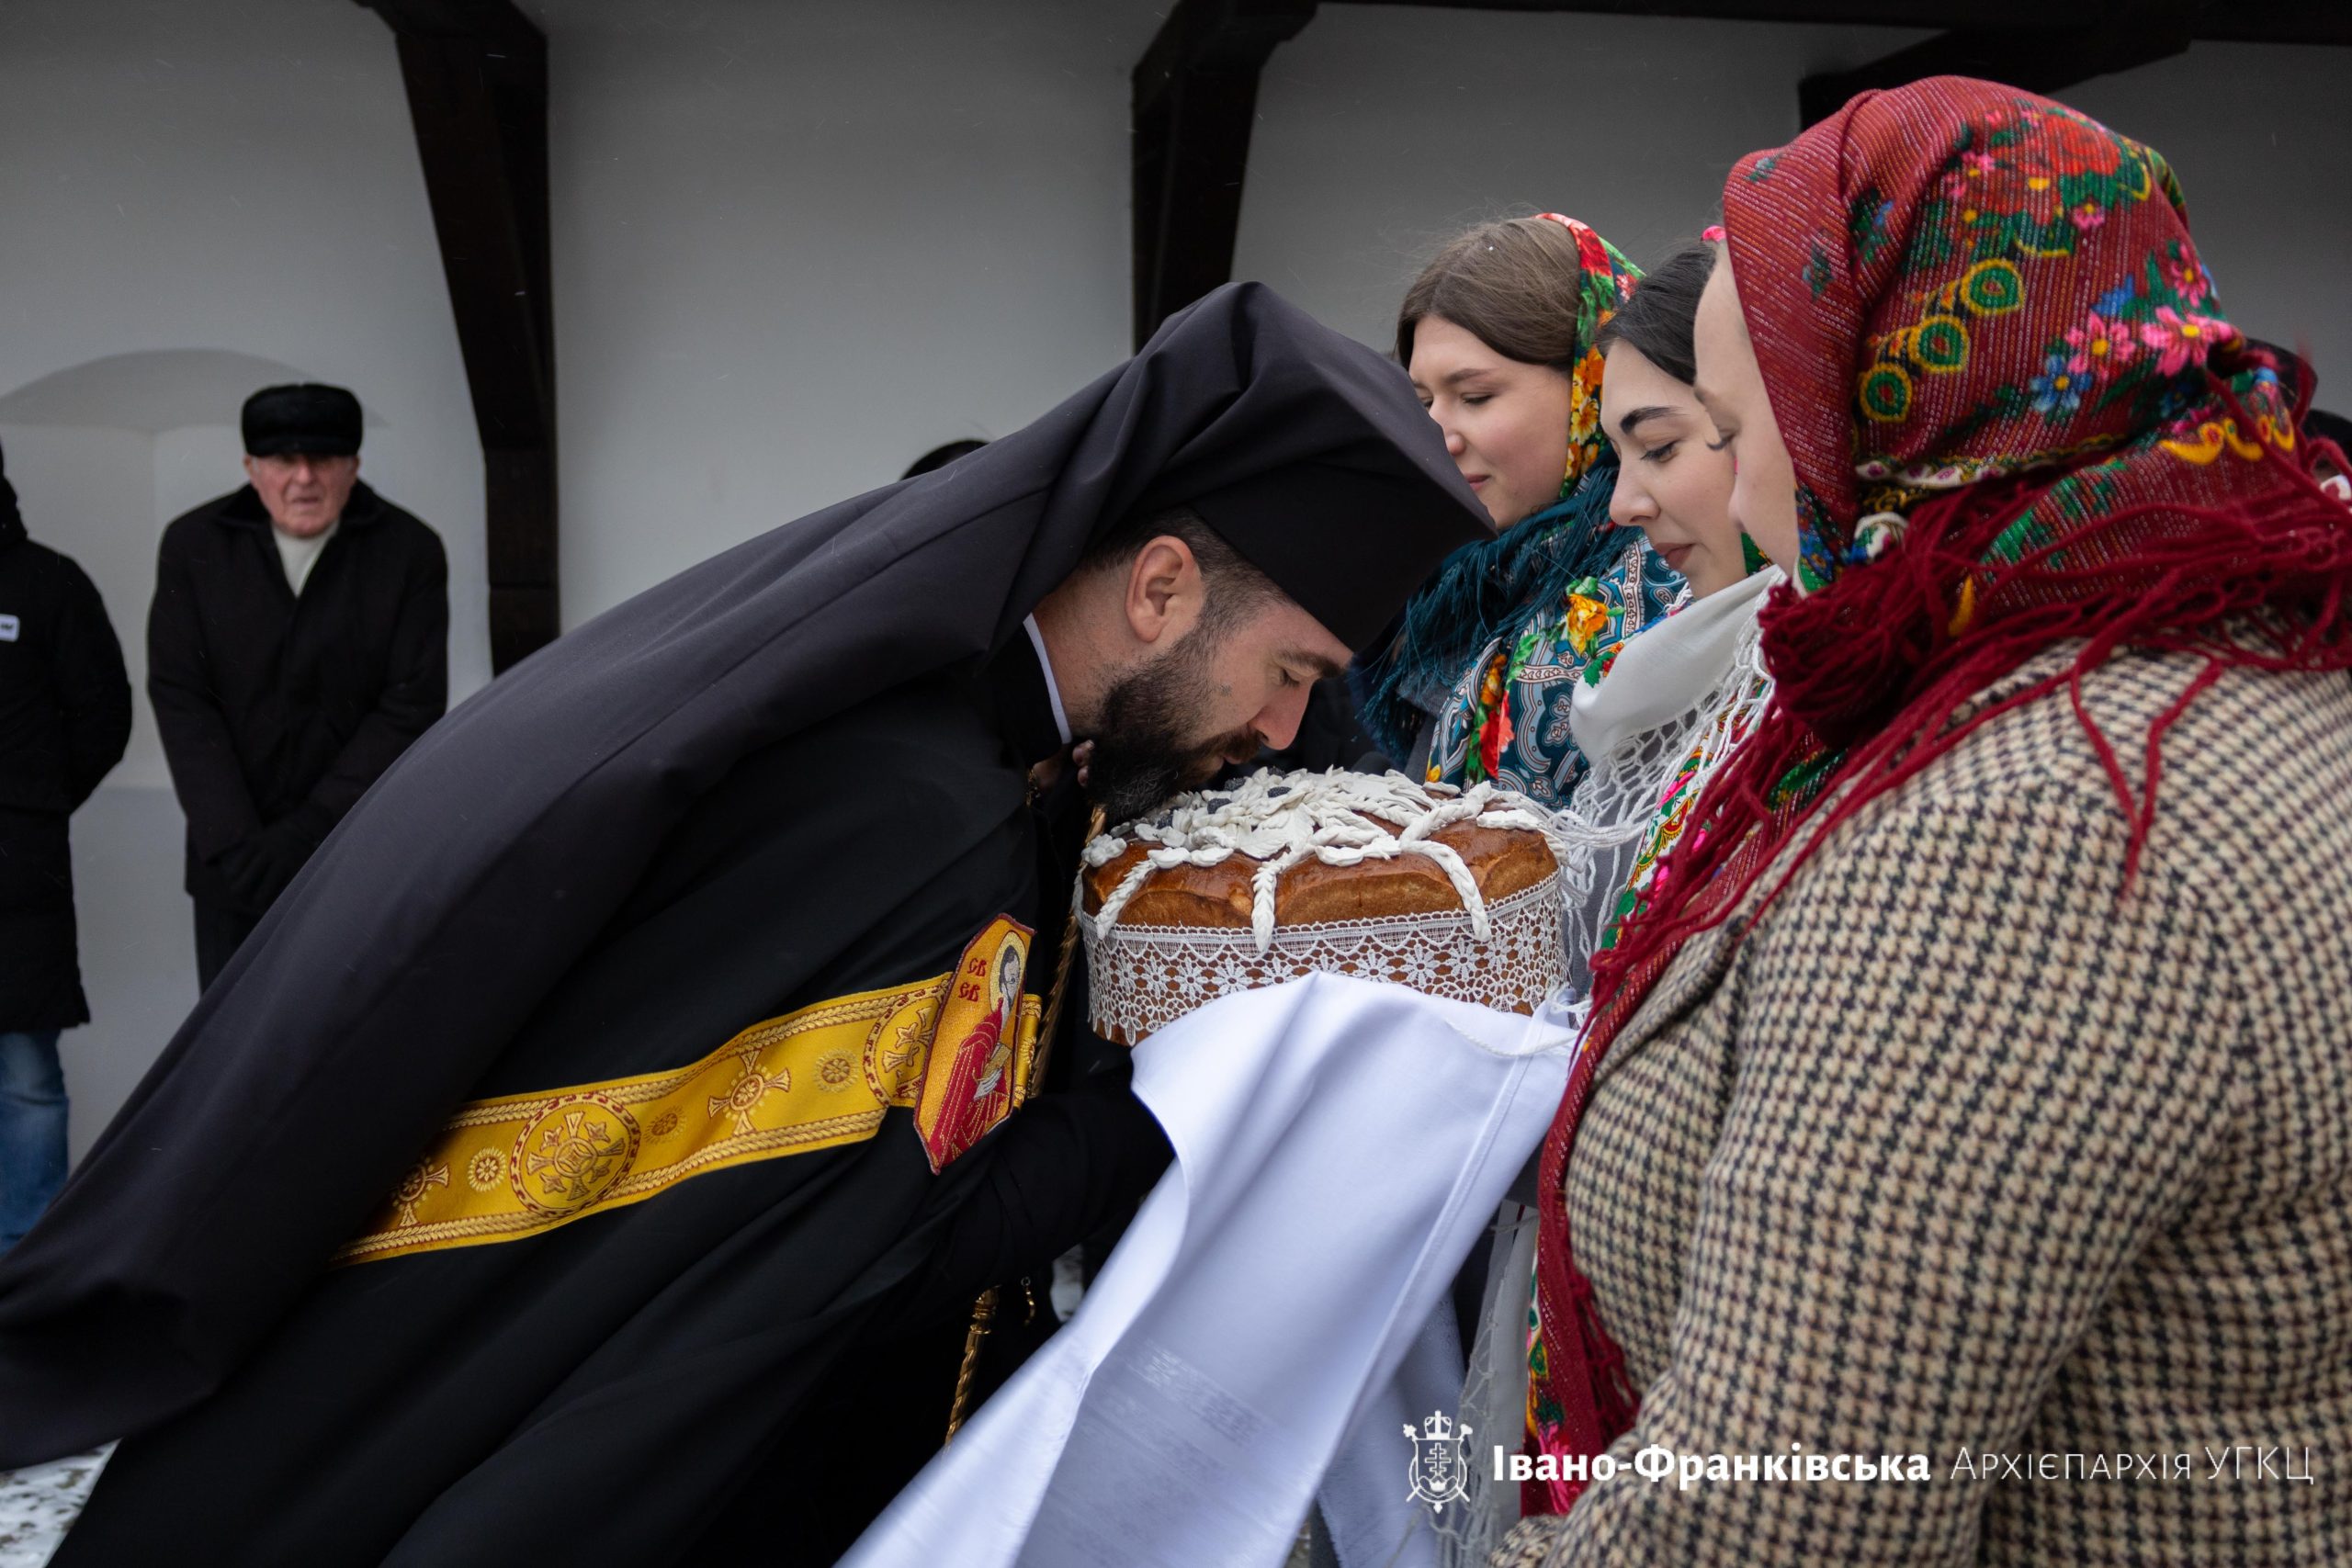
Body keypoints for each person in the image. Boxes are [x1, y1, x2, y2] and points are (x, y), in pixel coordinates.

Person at [0, 282, 1492, 1565]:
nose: (1282, 729)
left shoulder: (952, 729)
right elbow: (868, 1247)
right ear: (1162, 587)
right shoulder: (927, 815)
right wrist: (1200, 1091)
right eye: (1291, 672)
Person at [1504, 79, 2352, 1564]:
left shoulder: (2035, 821)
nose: (1735, 484)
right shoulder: (2240, 650)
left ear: (1899, 409)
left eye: (1733, 426)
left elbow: (1777, 1515)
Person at [1354, 214, 1682, 802]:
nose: (1436, 436)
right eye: (1423, 402)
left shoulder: (1680, 576)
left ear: (1592, 385)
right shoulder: (1444, 584)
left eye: (1475, 397)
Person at [147, 383, 447, 988]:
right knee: (235, 1033)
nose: (304, 478)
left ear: (354, 465)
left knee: (354, 1023)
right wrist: (238, 844)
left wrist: (311, 830)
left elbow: (410, 703)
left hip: (358, 852)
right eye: (284, 459)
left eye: (324, 459)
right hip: (234, 866)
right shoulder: (194, 545)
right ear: (252, 468)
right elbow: (182, 696)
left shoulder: (408, 550)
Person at [0, 444, 131, 1255]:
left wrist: (35, 806)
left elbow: (103, 716)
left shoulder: (49, 583)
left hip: (20, 871)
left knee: (26, 1074)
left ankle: (23, 1260)